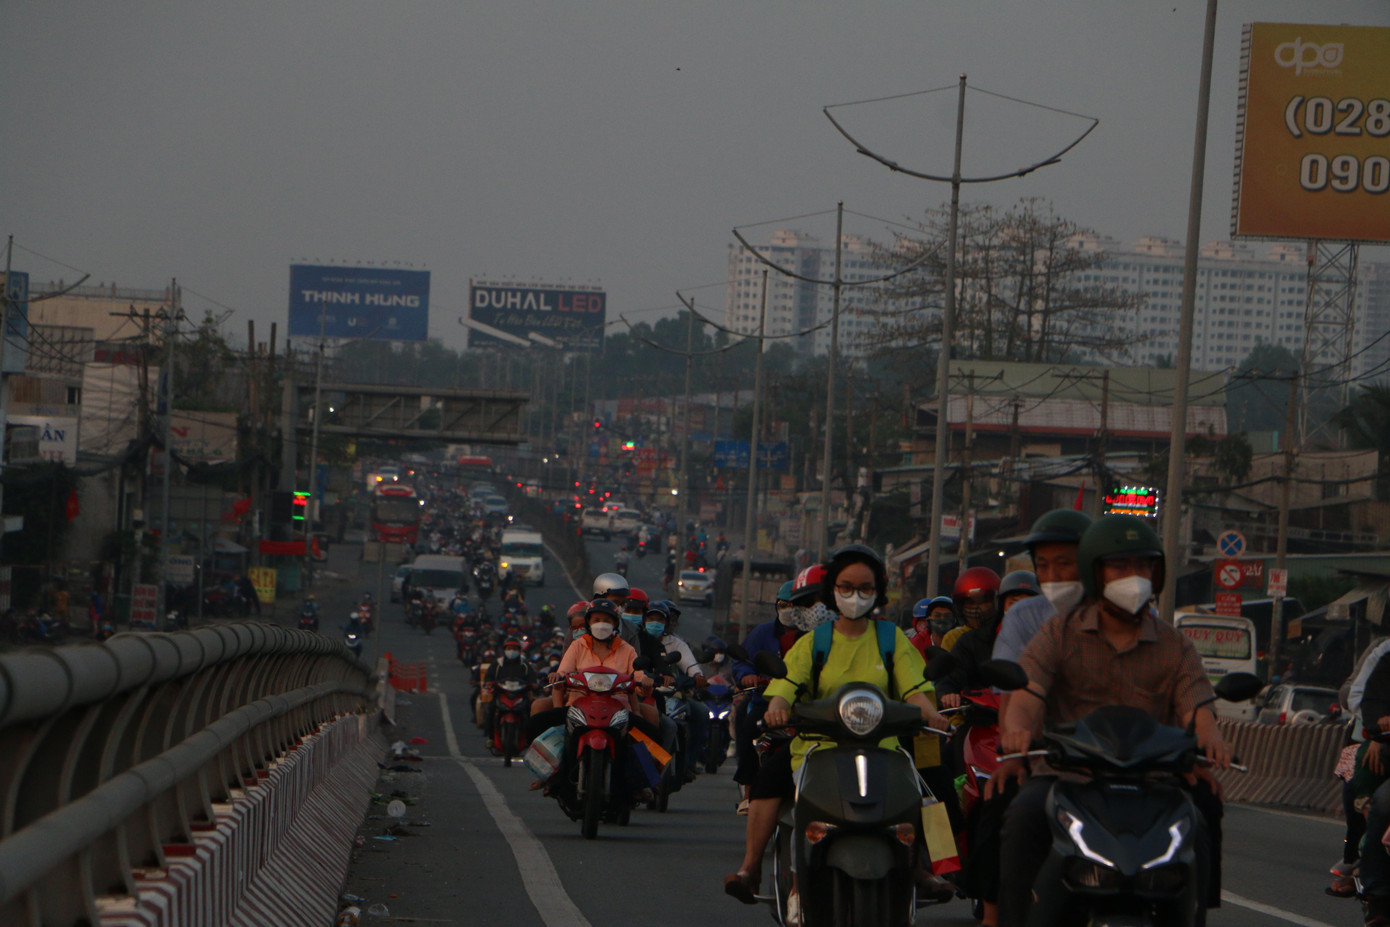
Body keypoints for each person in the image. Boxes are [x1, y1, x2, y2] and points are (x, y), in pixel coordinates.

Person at [991, 514, 1231, 927]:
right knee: (1022, 814)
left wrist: (1210, 741)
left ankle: (1193, 915)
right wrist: (1017, 732)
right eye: (1120, 566)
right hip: (1067, 776)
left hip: (1153, 782)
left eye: (1143, 566)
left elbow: (1197, 707)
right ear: (1094, 572)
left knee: (1204, 809)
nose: (1133, 576)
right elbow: (1028, 694)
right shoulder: (1057, 634)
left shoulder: (1176, 645)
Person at [724, 545, 949, 916]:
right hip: (817, 747)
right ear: (833, 590)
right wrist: (779, 709)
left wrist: (932, 715)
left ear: (879, 592)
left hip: (886, 748)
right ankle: (750, 868)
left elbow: (916, 691)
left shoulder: (892, 639)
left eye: (865, 588)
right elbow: (785, 688)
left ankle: (925, 867)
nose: (855, 596)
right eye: (846, 587)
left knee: (934, 788)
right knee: (767, 781)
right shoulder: (815, 642)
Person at [991, 509, 1094, 665]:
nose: (1053, 576)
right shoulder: (1023, 616)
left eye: (1064, 563)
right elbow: (1007, 684)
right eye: (1043, 565)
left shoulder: (1123, 618)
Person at [935, 566, 1002, 708]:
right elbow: (950, 676)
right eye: (970, 603)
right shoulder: (964, 641)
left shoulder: (1015, 634)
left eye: (984, 601)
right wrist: (947, 694)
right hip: (977, 714)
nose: (977, 609)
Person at [486, 636, 538, 744]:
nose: (511, 651)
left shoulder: (525, 665)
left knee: (531, 713)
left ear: (519, 650)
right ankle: (491, 738)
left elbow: (532, 678)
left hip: (520, 696)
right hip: (501, 694)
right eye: (509, 648)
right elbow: (489, 677)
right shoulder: (497, 664)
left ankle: (529, 739)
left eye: (514, 648)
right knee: (490, 710)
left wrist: (534, 685)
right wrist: (489, 682)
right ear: (505, 650)